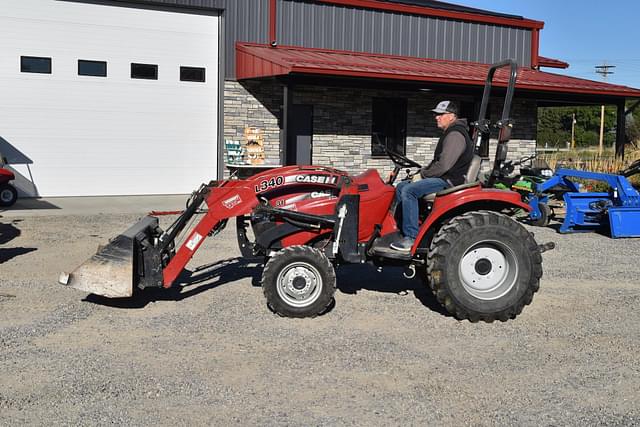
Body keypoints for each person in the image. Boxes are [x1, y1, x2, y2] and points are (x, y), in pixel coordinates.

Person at [390, 100, 474, 252]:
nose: (436, 117)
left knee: (409, 191)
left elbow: (444, 166)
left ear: (451, 116)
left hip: (449, 181)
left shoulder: (455, 134)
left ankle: (411, 238)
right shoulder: (451, 132)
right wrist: (421, 172)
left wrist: (422, 175)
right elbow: (439, 163)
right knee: (402, 186)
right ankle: (401, 228)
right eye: (436, 114)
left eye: (440, 114)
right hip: (443, 177)